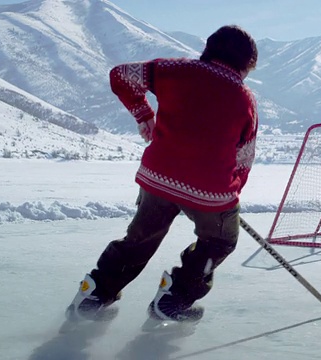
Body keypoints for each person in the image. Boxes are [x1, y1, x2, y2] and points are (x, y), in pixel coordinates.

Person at [65, 25, 258, 322]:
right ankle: (174, 298)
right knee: (220, 242)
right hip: (210, 190)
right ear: (245, 64)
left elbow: (120, 75)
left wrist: (144, 115)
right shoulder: (245, 100)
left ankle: (94, 294)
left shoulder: (174, 70)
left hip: (157, 177)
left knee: (140, 240)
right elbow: (243, 160)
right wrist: (230, 197)